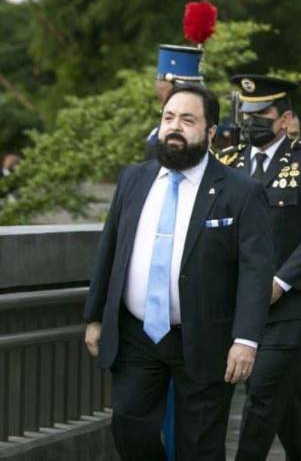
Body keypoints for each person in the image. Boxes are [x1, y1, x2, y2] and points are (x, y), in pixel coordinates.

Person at [83, 85, 274, 461]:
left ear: (210, 132)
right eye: (169, 118)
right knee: (127, 425)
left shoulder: (241, 191)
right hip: (137, 334)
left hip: (206, 336)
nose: (175, 127)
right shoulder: (134, 178)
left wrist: (246, 340)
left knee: (199, 445)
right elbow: (110, 249)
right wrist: (94, 315)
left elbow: (256, 271)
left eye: (188, 120)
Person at [218, 75, 301, 461]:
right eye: (247, 112)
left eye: (262, 113)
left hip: (288, 305)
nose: (252, 120)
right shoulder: (231, 161)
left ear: (285, 120)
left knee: (262, 396)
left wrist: (280, 282)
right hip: (237, 303)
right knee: (285, 404)